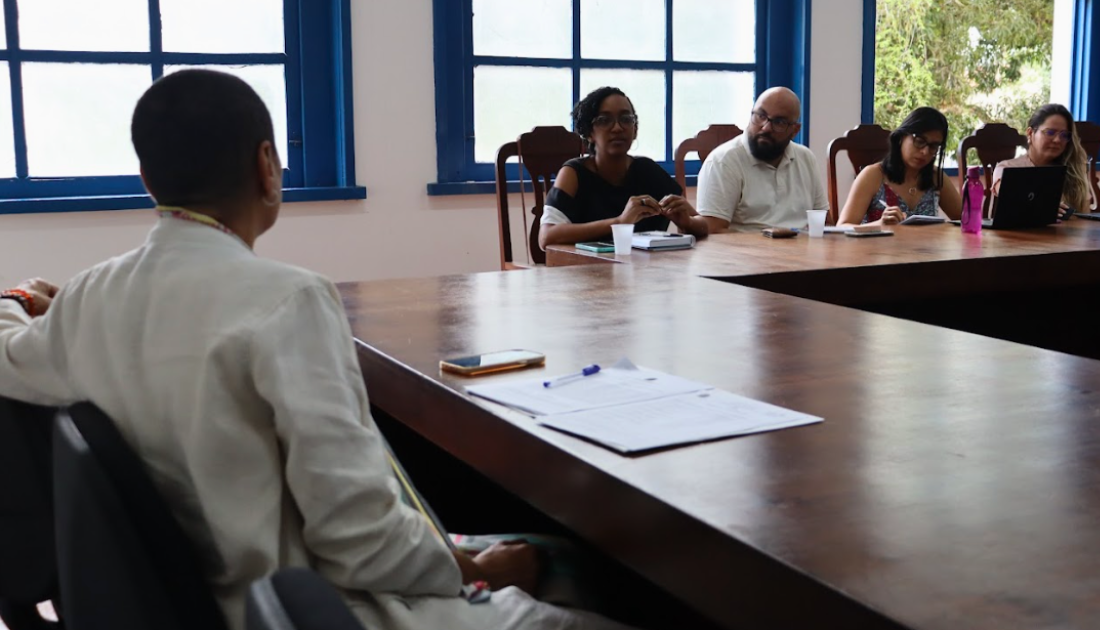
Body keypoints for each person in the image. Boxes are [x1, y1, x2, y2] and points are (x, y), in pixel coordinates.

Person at [0, 70, 633, 630]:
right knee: (586, 582)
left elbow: (7, 348)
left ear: (147, 180)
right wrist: (477, 570)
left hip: (201, 600)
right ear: (267, 166)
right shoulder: (287, 300)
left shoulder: (91, 296)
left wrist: (23, 295)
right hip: (317, 606)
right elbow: (360, 540)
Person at [540, 86, 707, 249]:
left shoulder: (647, 170)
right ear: (589, 132)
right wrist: (619, 222)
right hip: (585, 266)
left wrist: (688, 222)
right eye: (604, 120)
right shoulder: (574, 173)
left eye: (626, 119)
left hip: (646, 267)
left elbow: (703, 224)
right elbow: (546, 236)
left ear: (635, 130)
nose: (618, 128)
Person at [695, 87, 829, 233]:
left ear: (794, 131)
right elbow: (714, 233)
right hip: (746, 247)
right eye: (761, 116)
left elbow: (825, 223)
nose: (765, 128)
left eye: (779, 122)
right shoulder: (723, 161)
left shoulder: (806, 158)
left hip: (802, 245)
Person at [837, 107, 962, 227]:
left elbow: (966, 219)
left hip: (926, 243)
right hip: (877, 243)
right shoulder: (873, 175)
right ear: (901, 137)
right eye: (919, 141)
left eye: (933, 146)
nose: (925, 152)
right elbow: (842, 227)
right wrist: (879, 224)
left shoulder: (935, 177)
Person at [992, 103, 1091, 218]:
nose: (1057, 140)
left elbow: (1084, 216)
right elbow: (1007, 193)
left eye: (1064, 135)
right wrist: (1040, 206)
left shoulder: (1073, 171)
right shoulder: (1007, 168)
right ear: (1030, 133)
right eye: (1050, 132)